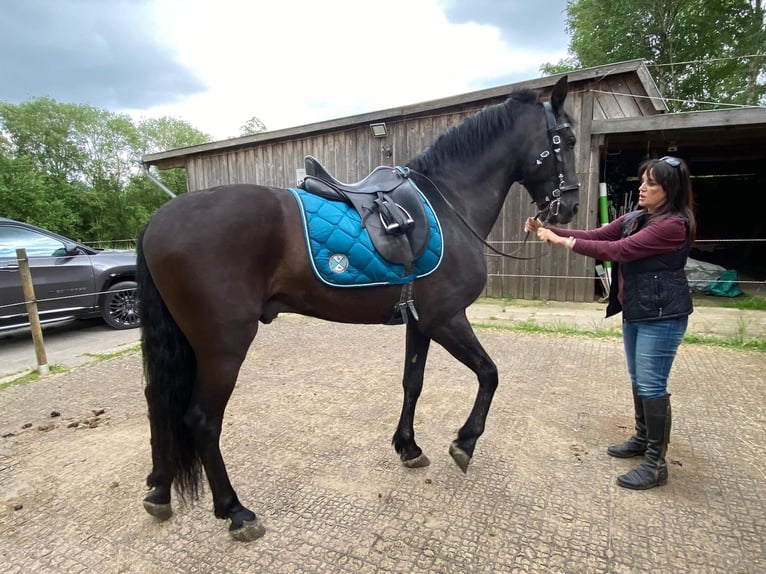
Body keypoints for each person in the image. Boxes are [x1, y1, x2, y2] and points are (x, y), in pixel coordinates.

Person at [525, 156, 696, 490]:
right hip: (638, 310)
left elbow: (620, 250)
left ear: (670, 189)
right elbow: (595, 233)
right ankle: (642, 438)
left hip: (662, 315)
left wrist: (564, 242)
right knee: (639, 380)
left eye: (651, 184)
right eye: (642, 180)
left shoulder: (674, 224)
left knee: (651, 385)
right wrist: (547, 229)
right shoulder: (637, 217)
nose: (642, 188)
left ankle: (655, 464)